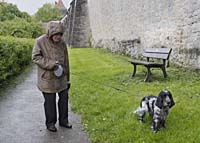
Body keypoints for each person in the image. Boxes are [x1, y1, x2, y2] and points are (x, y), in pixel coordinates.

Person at [32, 21, 72, 132]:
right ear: (50, 33)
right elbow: (35, 57)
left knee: (64, 100)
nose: (58, 37)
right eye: (56, 34)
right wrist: (51, 64)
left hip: (61, 78)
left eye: (60, 34)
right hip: (47, 79)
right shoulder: (40, 41)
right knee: (50, 102)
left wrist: (68, 79)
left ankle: (64, 121)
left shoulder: (62, 43)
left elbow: (66, 61)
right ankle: (50, 123)